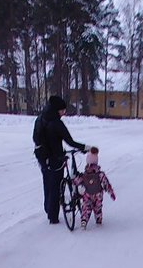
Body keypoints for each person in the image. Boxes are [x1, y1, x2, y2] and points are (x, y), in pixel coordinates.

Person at [33, 96, 86, 224]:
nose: (64, 113)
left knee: (47, 184)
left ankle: (48, 209)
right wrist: (85, 148)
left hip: (42, 158)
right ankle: (53, 217)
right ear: (57, 110)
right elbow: (70, 141)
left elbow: (35, 138)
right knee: (56, 186)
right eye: (62, 110)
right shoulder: (56, 123)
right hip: (56, 159)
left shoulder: (40, 118)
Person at [73, 147, 116, 229]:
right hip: (98, 194)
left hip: (87, 194)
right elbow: (106, 184)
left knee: (86, 207)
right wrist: (111, 193)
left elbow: (77, 181)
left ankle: (84, 221)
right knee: (98, 208)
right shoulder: (100, 174)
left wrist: (73, 180)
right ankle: (98, 220)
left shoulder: (84, 175)